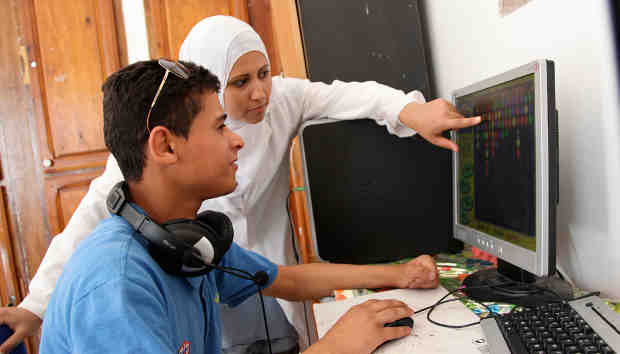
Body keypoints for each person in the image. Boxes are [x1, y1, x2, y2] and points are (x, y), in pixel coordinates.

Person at [0, 15, 479, 353]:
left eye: (264, 74)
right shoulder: (117, 284)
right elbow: (85, 221)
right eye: (219, 124)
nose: (260, 94)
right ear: (165, 147)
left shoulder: (189, 238)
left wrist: (397, 275)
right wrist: (36, 305)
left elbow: (287, 278)